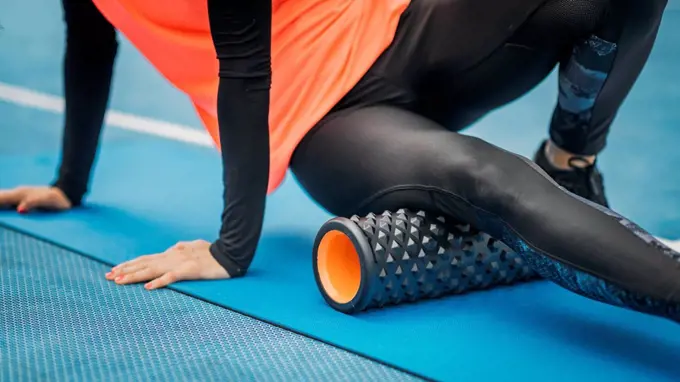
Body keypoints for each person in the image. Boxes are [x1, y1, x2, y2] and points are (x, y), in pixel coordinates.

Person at [1, 0, 678, 322]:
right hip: (327, 123)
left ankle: (570, 161)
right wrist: (69, 182)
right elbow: (91, 38)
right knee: (486, 177)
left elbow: (240, 61)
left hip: (405, 29)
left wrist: (231, 248)